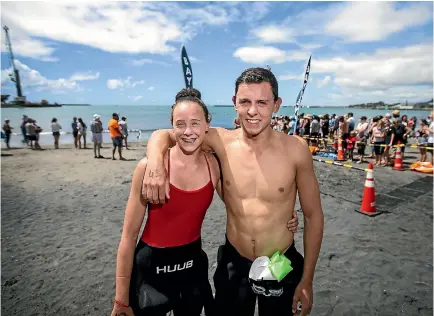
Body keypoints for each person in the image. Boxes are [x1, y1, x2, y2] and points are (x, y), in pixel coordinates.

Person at [141, 67, 324, 316]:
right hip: (234, 261)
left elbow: (314, 216)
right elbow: (166, 134)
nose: (252, 111)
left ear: (277, 105)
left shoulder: (295, 149)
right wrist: (154, 163)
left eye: (262, 102)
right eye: (245, 101)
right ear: (234, 103)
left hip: (280, 260)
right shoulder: (220, 140)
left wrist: (308, 279)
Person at [111, 87, 301, 316]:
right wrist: (121, 299)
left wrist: (281, 216)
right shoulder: (150, 169)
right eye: (179, 124)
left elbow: (242, 199)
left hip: (193, 268)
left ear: (207, 125)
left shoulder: (213, 166)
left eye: (195, 123)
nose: (188, 131)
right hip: (152, 270)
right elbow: (128, 237)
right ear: (171, 126)